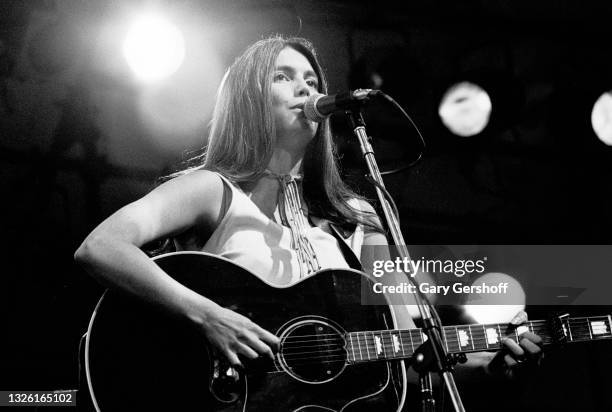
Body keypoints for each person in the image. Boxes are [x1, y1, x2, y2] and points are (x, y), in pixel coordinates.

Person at [74, 35, 541, 405]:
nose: (307, 89)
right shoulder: (212, 190)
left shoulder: (360, 222)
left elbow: (408, 361)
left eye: (313, 80)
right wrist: (209, 317)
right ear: (248, 99)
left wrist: (488, 367)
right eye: (284, 76)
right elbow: (101, 246)